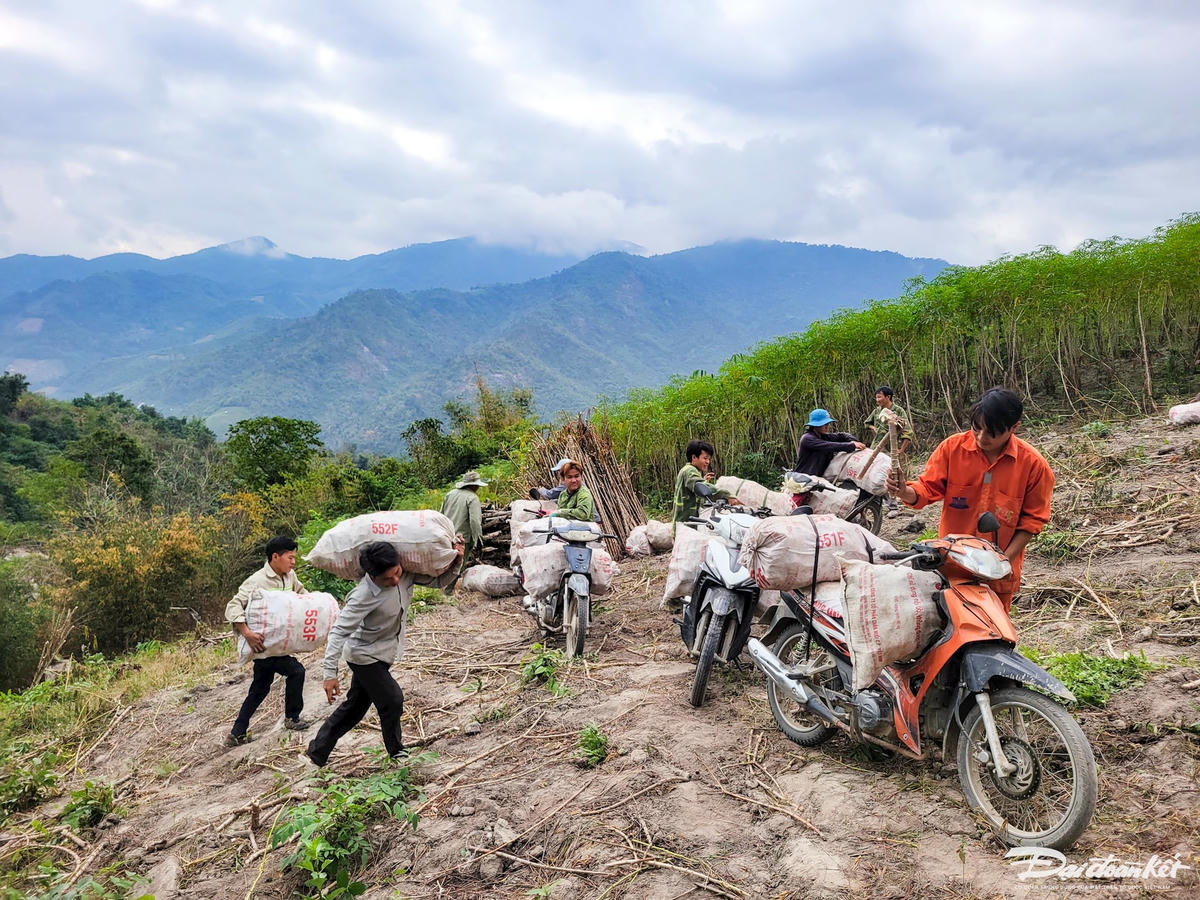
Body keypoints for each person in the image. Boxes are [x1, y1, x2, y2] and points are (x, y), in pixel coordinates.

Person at [886, 388, 1053, 611]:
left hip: (998, 573)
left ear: (1013, 428)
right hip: (953, 564)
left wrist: (1001, 562)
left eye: (992, 433)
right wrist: (905, 491)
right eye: (977, 429)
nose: (982, 438)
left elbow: (1032, 522)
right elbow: (927, 488)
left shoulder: (1033, 466)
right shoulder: (951, 449)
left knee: (992, 633)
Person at [306, 538, 464, 766]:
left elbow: (439, 581)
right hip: (363, 655)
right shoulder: (363, 595)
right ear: (372, 575)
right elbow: (338, 632)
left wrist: (456, 560)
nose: (396, 580)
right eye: (387, 579)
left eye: (397, 572)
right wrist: (329, 674)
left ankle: (316, 752)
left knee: (354, 708)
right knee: (392, 700)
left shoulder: (405, 574)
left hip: (385, 652)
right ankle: (397, 754)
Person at [224, 536, 311, 746]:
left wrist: (316, 604)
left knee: (260, 688)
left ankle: (236, 733)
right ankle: (292, 718)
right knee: (296, 671)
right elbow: (233, 606)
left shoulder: (289, 576)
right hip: (264, 646)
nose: (293, 562)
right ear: (275, 557)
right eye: (290, 558)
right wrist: (247, 633)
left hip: (278, 644)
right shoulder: (256, 581)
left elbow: (301, 593)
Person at [672, 439, 741, 528]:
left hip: (686, 525)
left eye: (709, 459)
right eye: (705, 458)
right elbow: (701, 487)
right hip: (684, 529)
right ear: (694, 457)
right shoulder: (689, 471)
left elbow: (696, 487)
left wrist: (703, 480)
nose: (708, 462)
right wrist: (727, 495)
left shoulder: (688, 470)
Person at [793, 409, 865, 477]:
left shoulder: (823, 436)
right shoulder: (807, 439)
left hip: (818, 477)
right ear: (815, 425)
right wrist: (851, 445)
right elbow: (830, 446)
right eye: (824, 424)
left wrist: (854, 441)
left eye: (827, 424)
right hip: (804, 477)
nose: (827, 427)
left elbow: (842, 435)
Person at [441, 470, 487, 561]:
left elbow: (441, 515)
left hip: (447, 536)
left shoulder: (450, 494)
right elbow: (475, 521)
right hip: (462, 539)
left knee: (447, 565)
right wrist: (478, 539)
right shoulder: (472, 498)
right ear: (474, 485)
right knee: (459, 566)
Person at [864, 386, 914, 459]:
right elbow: (867, 424)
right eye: (876, 398)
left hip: (891, 450)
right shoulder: (876, 411)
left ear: (888, 397)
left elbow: (908, 432)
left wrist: (901, 450)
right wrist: (874, 428)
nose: (877, 400)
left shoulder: (898, 411)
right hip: (876, 448)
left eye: (879, 397)